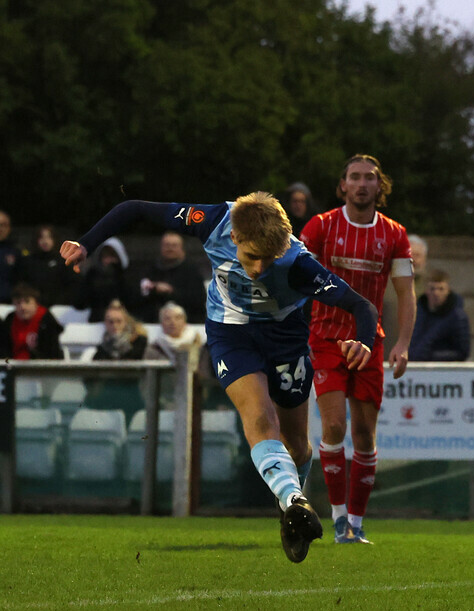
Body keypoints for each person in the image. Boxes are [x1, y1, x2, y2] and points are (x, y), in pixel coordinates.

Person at [61, 191, 379, 564]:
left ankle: (288, 503)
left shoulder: (299, 263)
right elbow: (134, 208)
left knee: (298, 444)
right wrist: (86, 243)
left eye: (267, 258)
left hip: (285, 340)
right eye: (250, 256)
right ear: (235, 236)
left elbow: (362, 305)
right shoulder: (211, 220)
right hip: (232, 333)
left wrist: (365, 340)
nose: (259, 268)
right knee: (260, 419)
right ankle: (294, 499)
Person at [300, 154, 416, 544]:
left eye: (370, 177)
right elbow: (299, 282)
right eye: (355, 177)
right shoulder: (320, 226)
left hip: (370, 341)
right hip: (326, 336)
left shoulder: (395, 234)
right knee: (333, 425)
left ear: (379, 186)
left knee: (365, 434)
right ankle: (337, 522)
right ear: (343, 185)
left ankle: (358, 523)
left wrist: (402, 343)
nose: (362, 183)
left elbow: (405, 293)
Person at [144, 301, 219, 408]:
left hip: (198, 405)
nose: (172, 322)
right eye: (167, 318)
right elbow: (147, 384)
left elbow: (206, 377)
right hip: (163, 405)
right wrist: (161, 405)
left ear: (184, 321)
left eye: (177, 318)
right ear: (161, 323)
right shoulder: (153, 350)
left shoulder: (199, 347)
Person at [124, 231, 207, 323]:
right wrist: (153, 289)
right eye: (167, 245)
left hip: (187, 322)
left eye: (174, 245)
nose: (170, 249)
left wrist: (171, 291)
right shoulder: (150, 270)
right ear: (161, 247)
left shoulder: (191, 271)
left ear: (182, 249)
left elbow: (199, 300)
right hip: (154, 323)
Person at [410, 269, 470, 361]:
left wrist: (430, 356)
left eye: (441, 289)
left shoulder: (457, 316)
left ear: (448, 291)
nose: (436, 293)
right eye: (432, 289)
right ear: (426, 291)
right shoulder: (418, 311)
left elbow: (462, 351)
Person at [14, 225, 80, 307]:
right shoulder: (27, 262)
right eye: (41, 238)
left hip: (58, 307)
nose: (45, 241)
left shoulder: (63, 262)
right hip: (33, 307)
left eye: (49, 237)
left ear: (55, 240)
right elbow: (21, 285)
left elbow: (72, 286)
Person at [0, 282, 64, 359]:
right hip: (12, 367)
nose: (22, 307)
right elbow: (4, 352)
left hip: (40, 367)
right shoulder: (10, 320)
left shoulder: (46, 321)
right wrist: (7, 365)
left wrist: (34, 350)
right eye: (18, 303)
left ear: (36, 303)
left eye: (27, 302)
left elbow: (52, 353)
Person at [76, 237, 129, 322]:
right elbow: (79, 303)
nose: (108, 261)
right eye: (105, 256)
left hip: (121, 322)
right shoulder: (93, 275)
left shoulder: (126, 276)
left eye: (112, 256)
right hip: (97, 322)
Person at [0, 210, 20, 303]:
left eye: (3, 225)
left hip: (9, 304)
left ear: (9, 228)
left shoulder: (16, 252)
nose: (0, 228)